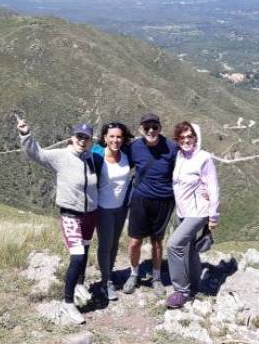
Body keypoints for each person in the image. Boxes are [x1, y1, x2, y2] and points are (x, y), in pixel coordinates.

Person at [17, 117, 98, 324]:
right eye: (79, 136)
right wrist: (26, 134)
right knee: (78, 257)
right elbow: (36, 153)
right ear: (72, 138)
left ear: (91, 141)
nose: (82, 140)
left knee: (86, 250)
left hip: (90, 213)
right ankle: (68, 303)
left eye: (86, 138)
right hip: (70, 213)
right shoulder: (61, 156)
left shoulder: (91, 158)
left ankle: (80, 284)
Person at [123, 113, 178, 296]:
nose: (151, 131)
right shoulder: (134, 147)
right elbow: (119, 162)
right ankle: (133, 273)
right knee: (134, 242)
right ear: (141, 130)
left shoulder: (171, 148)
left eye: (154, 127)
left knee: (157, 241)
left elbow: (185, 170)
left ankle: (156, 277)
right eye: (147, 128)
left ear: (160, 128)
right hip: (140, 199)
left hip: (164, 200)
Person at [166, 122, 220, 308]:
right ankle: (195, 287)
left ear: (196, 138)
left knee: (173, 245)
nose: (186, 140)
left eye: (189, 137)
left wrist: (213, 216)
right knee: (189, 252)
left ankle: (181, 291)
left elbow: (213, 187)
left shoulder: (204, 158)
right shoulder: (180, 156)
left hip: (198, 213)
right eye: (182, 138)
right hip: (183, 212)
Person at [92, 122, 134, 301]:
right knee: (105, 245)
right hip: (103, 208)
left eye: (119, 137)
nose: (115, 140)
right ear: (105, 138)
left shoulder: (126, 156)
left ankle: (109, 273)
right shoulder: (97, 156)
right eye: (112, 137)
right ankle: (106, 281)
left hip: (121, 208)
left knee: (115, 242)